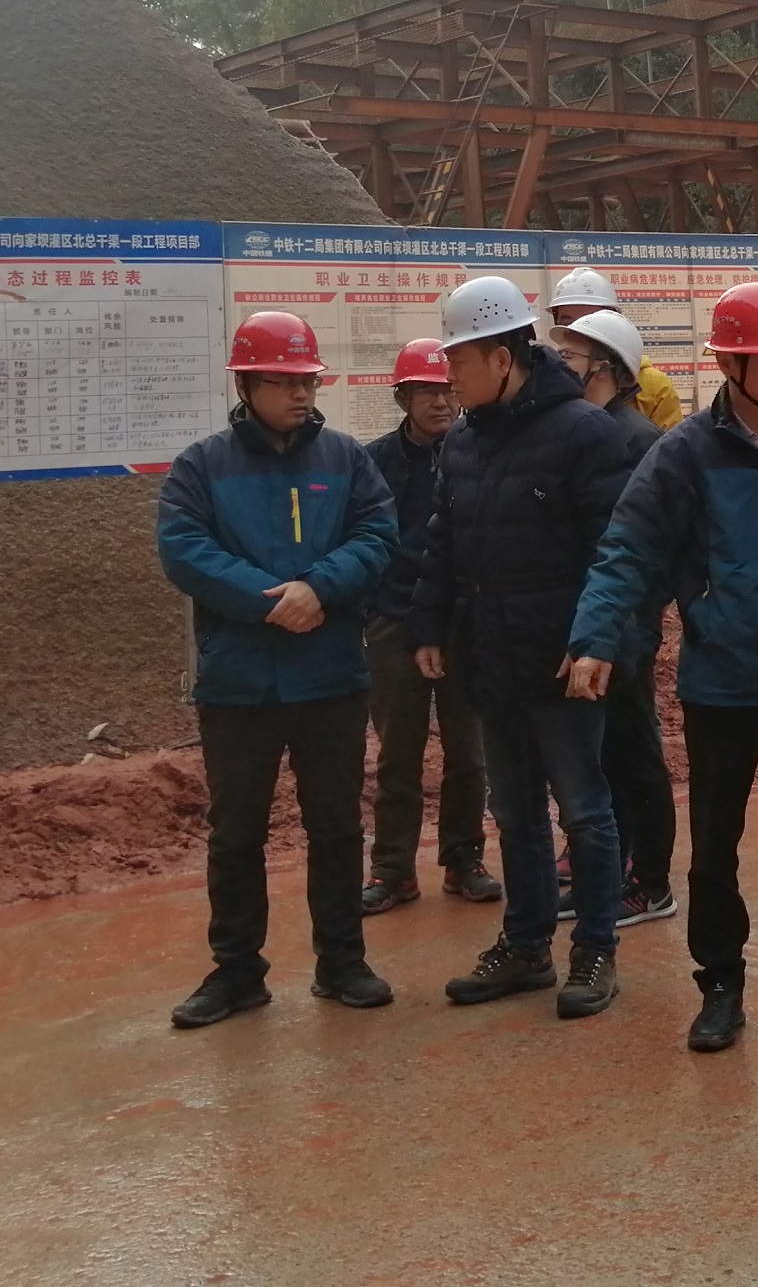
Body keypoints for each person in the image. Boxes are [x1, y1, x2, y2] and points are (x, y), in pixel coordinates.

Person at [568, 279, 758, 1054]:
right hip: (723, 680)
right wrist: (595, 638)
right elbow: (628, 549)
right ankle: (721, 987)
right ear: (729, 363)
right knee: (716, 843)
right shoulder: (685, 454)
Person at [156, 311, 399, 1028]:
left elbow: (378, 534)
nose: (300, 394)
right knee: (236, 833)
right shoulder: (202, 466)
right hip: (239, 684)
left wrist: (318, 588)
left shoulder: (347, 460)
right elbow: (183, 550)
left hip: (330, 677)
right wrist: (273, 601)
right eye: (283, 381)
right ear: (246, 384)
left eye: (307, 381)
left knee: (336, 827)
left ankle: (342, 962)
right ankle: (237, 972)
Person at [408, 277, 637, 1022]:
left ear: (503, 358)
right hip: (492, 658)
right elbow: (443, 541)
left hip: (564, 664)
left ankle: (595, 948)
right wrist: (428, 625)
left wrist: (595, 641)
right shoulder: (465, 440)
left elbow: (617, 550)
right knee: (514, 811)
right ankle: (528, 945)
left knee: (586, 812)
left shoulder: (584, 434)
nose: (449, 377)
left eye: (459, 361)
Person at [360, 338, 499, 915]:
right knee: (399, 754)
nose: (440, 402)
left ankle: (464, 859)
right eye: (425, 391)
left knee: (470, 752)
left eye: (446, 389)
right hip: (395, 623)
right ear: (403, 398)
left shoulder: (480, 452)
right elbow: (364, 539)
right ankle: (393, 869)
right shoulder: (373, 462)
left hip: (465, 623)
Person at [551, 307, 676, 928]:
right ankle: (607, 874)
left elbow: (646, 550)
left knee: (632, 754)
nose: (560, 365)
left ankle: (650, 883)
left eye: (571, 356)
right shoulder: (585, 432)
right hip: (591, 623)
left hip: (624, 628)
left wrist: (628, 629)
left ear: (606, 367)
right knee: (599, 760)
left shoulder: (637, 440)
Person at [549, 266, 684, 432]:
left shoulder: (653, 385)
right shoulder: (548, 380)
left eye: (591, 320)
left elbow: (666, 443)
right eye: (567, 322)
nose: (578, 329)